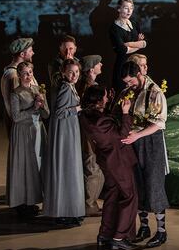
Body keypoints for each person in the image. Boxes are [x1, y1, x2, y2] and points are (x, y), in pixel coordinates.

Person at [79, 85, 139, 250]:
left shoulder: (86, 115)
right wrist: (126, 113)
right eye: (105, 96)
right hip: (117, 161)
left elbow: (108, 123)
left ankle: (105, 235)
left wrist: (111, 102)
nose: (107, 98)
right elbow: (121, 135)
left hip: (106, 161)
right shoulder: (100, 121)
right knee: (129, 196)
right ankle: (119, 237)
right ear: (98, 100)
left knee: (112, 195)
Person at [119, 61, 170, 248]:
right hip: (134, 142)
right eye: (126, 82)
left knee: (153, 184)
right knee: (137, 184)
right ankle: (144, 227)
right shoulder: (129, 91)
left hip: (151, 142)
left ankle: (162, 231)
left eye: (131, 81)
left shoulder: (155, 92)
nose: (128, 85)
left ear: (139, 74)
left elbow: (159, 123)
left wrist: (138, 135)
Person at [42, 58, 85, 225]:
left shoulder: (70, 86)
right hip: (64, 134)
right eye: (71, 72)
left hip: (69, 130)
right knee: (66, 168)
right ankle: (64, 211)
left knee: (69, 169)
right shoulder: (65, 88)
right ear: (63, 73)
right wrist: (78, 109)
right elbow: (59, 113)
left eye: (76, 72)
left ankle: (70, 210)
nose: (74, 75)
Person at [7, 61, 49, 219]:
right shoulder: (16, 93)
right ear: (19, 75)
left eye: (30, 72)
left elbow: (46, 115)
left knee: (36, 166)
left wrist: (43, 105)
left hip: (37, 131)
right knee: (24, 166)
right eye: (24, 73)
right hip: (23, 133)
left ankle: (33, 200)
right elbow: (16, 117)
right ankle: (22, 203)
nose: (28, 76)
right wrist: (34, 108)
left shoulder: (37, 90)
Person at [78, 54, 106, 217]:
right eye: (97, 63)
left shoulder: (87, 85)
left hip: (88, 133)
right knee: (92, 168)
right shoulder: (89, 88)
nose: (101, 64)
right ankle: (89, 204)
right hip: (89, 135)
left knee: (92, 168)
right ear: (90, 69)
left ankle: (91, 202)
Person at [110, 0, 147, 92]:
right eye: (126, 8)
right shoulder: (114, 28)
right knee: (124, 92)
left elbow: (144, 43)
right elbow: (123, 50)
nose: (129, 11)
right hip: (123, 64)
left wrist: (129, 44)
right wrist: (138, 44)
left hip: (137, 63)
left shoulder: (134, 23)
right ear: (119, 9)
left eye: (131, 8)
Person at [1, 37, 36, 131]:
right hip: (23, 125)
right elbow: (20, 103)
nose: (33, 53)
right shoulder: (14, 75)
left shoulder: (16, 71)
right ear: (22, 54)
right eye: (30, 51)